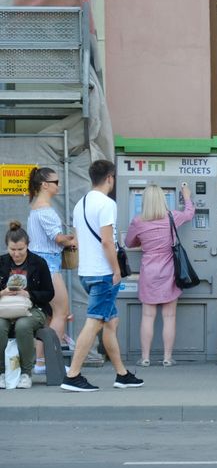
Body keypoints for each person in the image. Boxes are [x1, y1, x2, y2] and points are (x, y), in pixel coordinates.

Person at [62, 159, 144, 392]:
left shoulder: (81, 204)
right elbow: (107, 241)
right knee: (95, 321)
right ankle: (73, 375)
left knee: (110, 321)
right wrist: (116, 270)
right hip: (103, 273)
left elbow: (77, 241)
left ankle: (122, 374)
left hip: (86, 272)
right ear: (110, 178)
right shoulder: (107, 204)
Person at [124, 183, 195, 367]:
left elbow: (129, 243)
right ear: (163, 200)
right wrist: (186, 195)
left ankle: (145, 357)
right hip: (169, 269)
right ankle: (167, 358)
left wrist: (143, 239)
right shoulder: (172, 216)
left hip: (148, 270)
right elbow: (189, 213)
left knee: (148, 316)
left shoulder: (138, 221)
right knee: (169, 316)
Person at [26, 166, 76, 373]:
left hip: (40, 264)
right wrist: (74, 237)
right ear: (45, 185)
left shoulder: (36, 207)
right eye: (56, 182)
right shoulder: (45, 210)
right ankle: (49, 361)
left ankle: (40, 362)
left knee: (48, 315)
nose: (59, 185)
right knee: (61, 312)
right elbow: (58, 238)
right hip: (48, 264)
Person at [0, 222, 54, 389]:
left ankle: (25, 373)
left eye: (20, 249)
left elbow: (49, 293)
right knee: (0, 325)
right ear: (7, 247)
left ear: (27, 246)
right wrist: (3, 292)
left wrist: (29, 294)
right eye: (12, 249)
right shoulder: (1, 263)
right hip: (5, 309)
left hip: (34, 309)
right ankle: (2, 372)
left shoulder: (39, 263)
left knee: (23, 325)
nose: (16, 254)